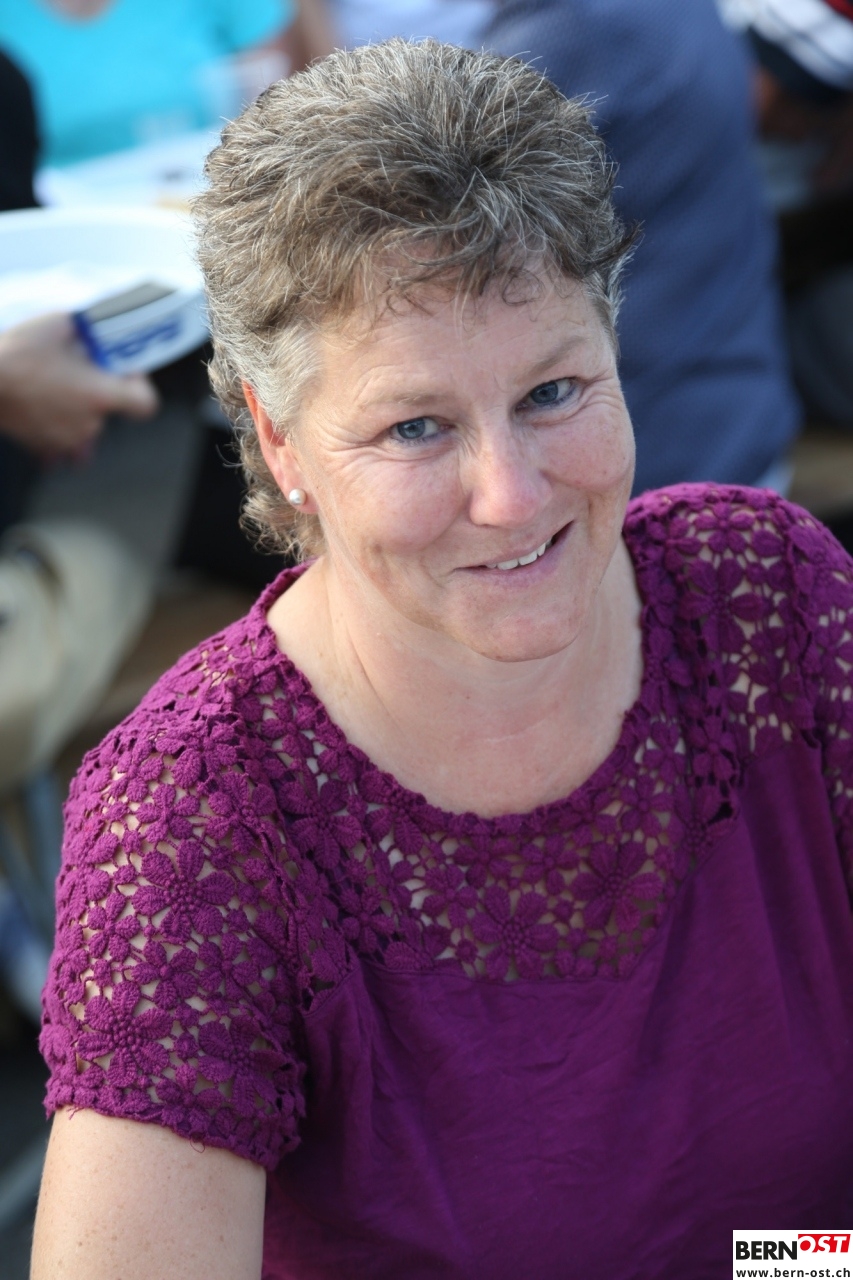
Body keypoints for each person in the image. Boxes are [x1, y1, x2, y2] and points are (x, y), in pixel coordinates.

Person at [32, 40, 853, 1280]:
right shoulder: (198, 816)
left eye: (553, 391)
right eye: (416, 425)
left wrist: (802, 1263)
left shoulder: (760, 599)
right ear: (280, 441)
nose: (510, 495)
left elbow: (780, 1246)